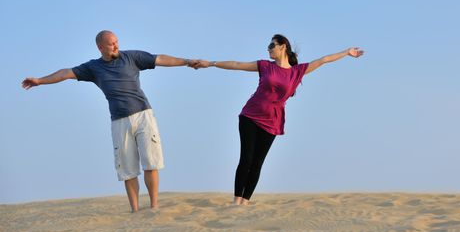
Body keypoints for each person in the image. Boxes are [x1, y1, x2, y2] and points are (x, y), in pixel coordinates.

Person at [21, 30, 195, 213]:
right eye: (111, 44)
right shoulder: (93, 68)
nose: (116, 46)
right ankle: (135, 211)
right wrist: (40, 81)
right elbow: (66, 73)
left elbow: (159, 59)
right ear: (100, 47)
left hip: (144, 115)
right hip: (119, 121)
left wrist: (186, 61)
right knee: (127, 170)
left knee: (151, 163)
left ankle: (153, 207)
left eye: (117, 42)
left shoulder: (132, 57)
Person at [193, 34, 364, 205]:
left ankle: (245, 203)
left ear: (282, 47)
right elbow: (237, 65)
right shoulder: (265, 66)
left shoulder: (297, 72)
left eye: (271, 45)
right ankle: (236, 201)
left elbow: (324, 59)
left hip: (272, 121)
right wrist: (211, 63)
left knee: (257, 162)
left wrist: (347, 52)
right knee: (246, 158)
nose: (268, 49)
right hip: (250, 116)